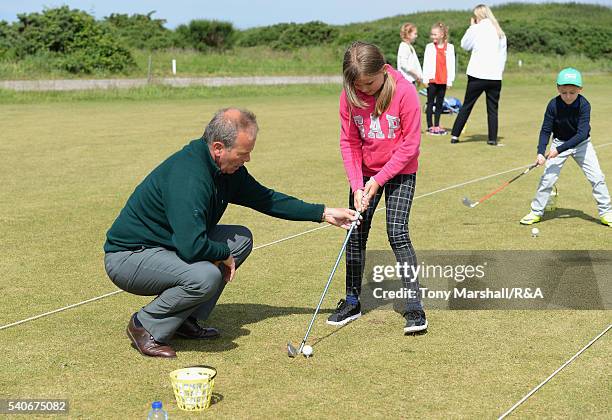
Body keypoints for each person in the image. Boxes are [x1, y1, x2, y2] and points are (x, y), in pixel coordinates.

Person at [103, 108, 360, 358]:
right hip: (130, 257)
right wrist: (222, 254)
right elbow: (191, 246)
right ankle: (145, 324)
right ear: (218, 148)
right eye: (243, 153)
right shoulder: (190, 176)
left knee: (241, 239)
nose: (247, 159)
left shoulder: (227, 170)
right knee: (205, 276)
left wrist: (323, 213)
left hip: (166, 245)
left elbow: (266, 199)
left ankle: (182, 319)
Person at [327, 41, 427, 334]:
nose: (365, 90)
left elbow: (411, 145)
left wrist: (377, 180)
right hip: (365, 174)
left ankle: (414, 306)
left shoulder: (405, 93)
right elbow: (349, 142)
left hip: (400, 170)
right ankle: (351, 300)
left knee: (397, 232)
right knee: (355, 232)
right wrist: (357, 185)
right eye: (358, 85)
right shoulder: (350, 96)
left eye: (369, 83)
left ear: (384, 71)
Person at [520, 68, 612, 227]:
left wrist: (559, 150)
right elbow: (545, 130)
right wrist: (540, 152)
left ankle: (607, 213)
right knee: (547, 179)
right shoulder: (553, 105)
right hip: (559, 142)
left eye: (572, 92)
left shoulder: (584, 105)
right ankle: (535, 212)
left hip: (582, 145)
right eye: (564, 92)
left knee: (597, 177)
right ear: (558, 89)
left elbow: (582, 134)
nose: (568, 96)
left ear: (580, 90)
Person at [450, 4, 507, 145]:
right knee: (492, 109)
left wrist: (471, 27)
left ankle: (455, 135)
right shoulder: (499, 31)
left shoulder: (475, 29)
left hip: (477, 75)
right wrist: (499, 72)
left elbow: (464, 45)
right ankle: (492, 139)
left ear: (477, 16)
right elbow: (503, 56)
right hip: (494, 76)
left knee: (467, 105)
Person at [422, 22, 455, 136]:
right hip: (431, 80)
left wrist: (450, 80)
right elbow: (426, 63)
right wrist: (425, 79)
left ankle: (437, 125)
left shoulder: (450, 48)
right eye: (432, 35)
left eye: (435, 35)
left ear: (442, 35)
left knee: (440, 104)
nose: (433, 37)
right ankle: (430, 126)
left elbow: (452, 65)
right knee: (430, 103)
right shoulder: (429, 47)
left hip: (443, 80)